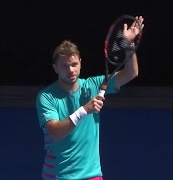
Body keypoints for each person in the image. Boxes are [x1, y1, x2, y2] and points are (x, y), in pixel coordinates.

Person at [36, 16, 144, 180]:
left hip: (91, 175)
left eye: (74, 64)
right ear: (55, 68)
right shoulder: (46, 97)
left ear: (80, 62)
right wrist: (85, 110)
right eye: (64, 66)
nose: (70, 70)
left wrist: (128, 44)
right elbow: (55, 133)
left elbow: (131, 73)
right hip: (57, 175)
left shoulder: (93, 85)